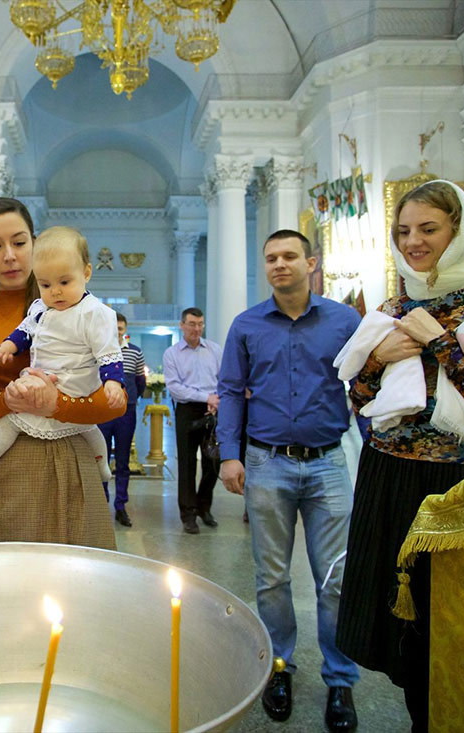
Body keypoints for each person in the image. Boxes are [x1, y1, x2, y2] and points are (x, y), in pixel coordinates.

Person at [334, 181, 464, 733]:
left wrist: (439, 343)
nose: (414, 242)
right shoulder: (394, 305)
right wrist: (376, 360)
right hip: (387, 475)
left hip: (457, 486)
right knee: (398, 632)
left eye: (428, 229)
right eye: (403, 231)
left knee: (448, 624)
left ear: (457, 229)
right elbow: (360, 400)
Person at [217, 230, 362, 731]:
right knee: (272, 578)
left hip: (327, 463)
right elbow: (231, 390)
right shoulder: (248, 325)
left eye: (289, 257)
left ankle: (340, 680)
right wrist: (228, 456)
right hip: (266, 463)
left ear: (311, 262)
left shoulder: (344, 321)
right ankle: (280, 666)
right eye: (271, 258)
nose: (279, 265)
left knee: (336, 579)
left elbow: (365, 387)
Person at [0, 199, 124, 548]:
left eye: (20, 243)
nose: (9, 255)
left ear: (35, 244)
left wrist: (56, 404)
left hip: (68, 460)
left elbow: (115, 404)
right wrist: (7, 401)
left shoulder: (81, 310)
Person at [0, 226, 125, 498]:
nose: (55, 292)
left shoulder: (95, 313)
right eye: (45, 284)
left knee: (16, 423)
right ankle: (102, 468)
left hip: (74, 382)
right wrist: (6, 347)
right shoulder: (40, 307)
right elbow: (23, 332)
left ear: (86, 273)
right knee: (81, 428)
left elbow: (108, 352)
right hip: (43, 377)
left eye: (64, 282)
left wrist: (114, 383)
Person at [163, 307, 222, 534]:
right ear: (182, 325)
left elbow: (224, 379)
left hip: (213, 409)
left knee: (213, 462)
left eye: (200, 324)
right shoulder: (172, 354)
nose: (196, 329)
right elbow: (176, 388)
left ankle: (203, 507)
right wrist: (205, 397)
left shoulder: (215, 350)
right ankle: (188, 514)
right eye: (191, 324)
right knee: (187, 464)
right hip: (187, 411)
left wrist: (215, 400)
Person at [99, 312, 146, 526]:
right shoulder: (99, 353)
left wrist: (131, 399)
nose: (117, 331)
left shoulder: (135, 352)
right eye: (114, 327)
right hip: (104, 412)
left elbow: (140, 381)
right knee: (101, 459)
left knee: (123, 459)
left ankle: (121, 505)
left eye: (120, 328)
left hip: (127, 412)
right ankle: (102, 502)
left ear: (125, 329)